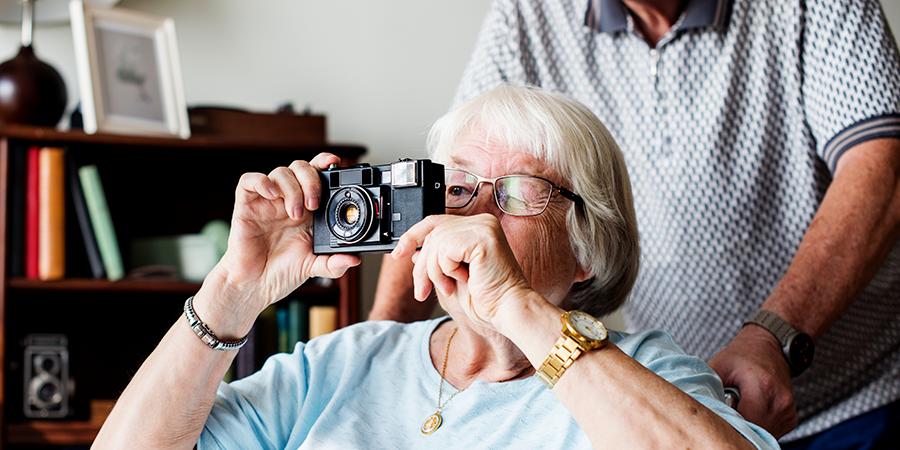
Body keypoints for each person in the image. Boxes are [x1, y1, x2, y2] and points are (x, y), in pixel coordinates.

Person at [91, 85, 777, 449]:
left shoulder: (648, 374)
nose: (474, 214)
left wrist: (518, 308)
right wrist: (233, 292)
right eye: (458, 186)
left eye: (513, 193)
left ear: (587, 248)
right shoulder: (343, 363)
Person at [368, 0, 900, 447]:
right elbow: (452, 181)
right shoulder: (528, 14)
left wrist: (773, 336)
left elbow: (883, 168)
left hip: (850, 396)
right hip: (656, 387)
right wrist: (375, 360)